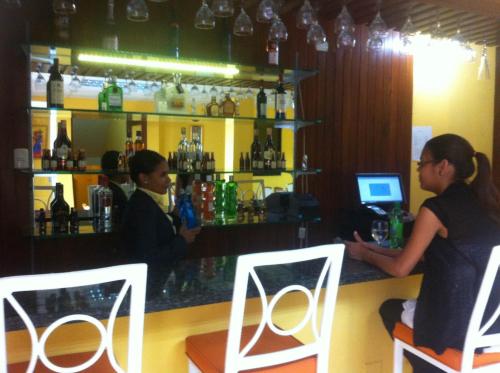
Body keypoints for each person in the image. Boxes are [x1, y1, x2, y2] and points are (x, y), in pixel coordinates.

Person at [346, 134, 500, 372]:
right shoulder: (483, 201)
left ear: (443, 166)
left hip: (460, 325)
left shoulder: (435, 208)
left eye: (422, 164)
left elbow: (401, 269)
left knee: (389, 309)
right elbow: (429, 253)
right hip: (492, 328)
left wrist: (363, 255)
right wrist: (374, 248)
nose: (418, 170)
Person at [121, 150, 200, 296]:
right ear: (144, 178)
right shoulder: (142, 207)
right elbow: (149, 257)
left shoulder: (146, 201)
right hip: (147, 289)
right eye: (162, 175)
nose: (169, 180)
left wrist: (176, 216)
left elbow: (160, 229)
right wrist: (182, 240)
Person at [101, 150, 129, 226]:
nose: (128, 170)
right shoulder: (117, 194)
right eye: (126, 166)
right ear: (120, 168)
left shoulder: (107, 189)